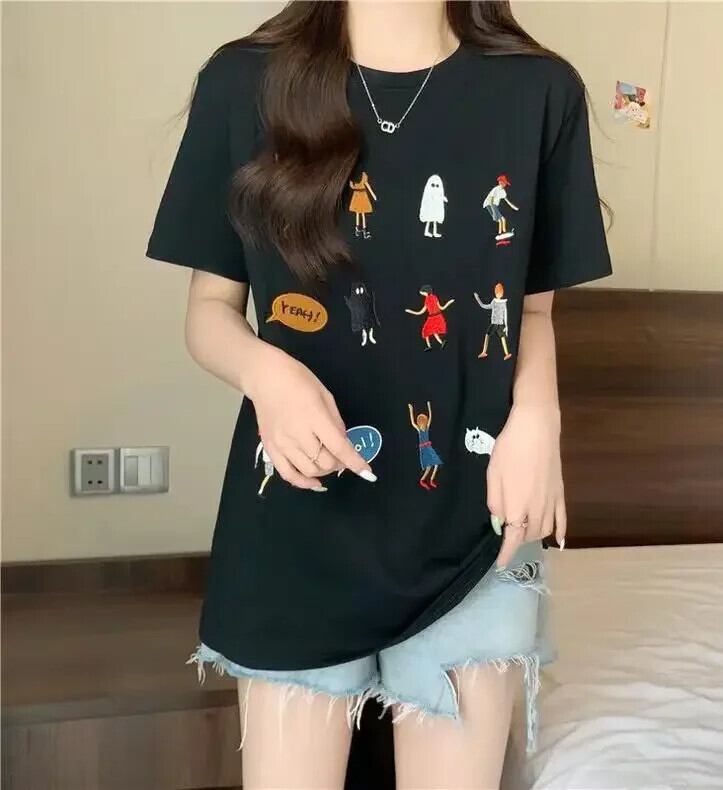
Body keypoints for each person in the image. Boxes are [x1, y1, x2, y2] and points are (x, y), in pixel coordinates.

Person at [145, 2, 612, 787]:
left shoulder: (539, 92)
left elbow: (530, 311)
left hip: (476, 524)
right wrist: (268, 374)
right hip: (299, 517)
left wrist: (539, 420)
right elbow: (209, 313)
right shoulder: (243, 81)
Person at [404, 285, 454, 350]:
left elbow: (421, 312)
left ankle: (432, 345)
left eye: (422, 292)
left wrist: (410, 311)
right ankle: (439, 343)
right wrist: (449, 303)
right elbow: (441, 308)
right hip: (436, 317)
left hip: (434, 317)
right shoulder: (432, 298)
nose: (421, 293)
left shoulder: (429, 299)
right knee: (432, 331)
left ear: (426, 292)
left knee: (427, 331)